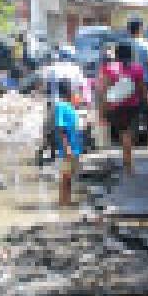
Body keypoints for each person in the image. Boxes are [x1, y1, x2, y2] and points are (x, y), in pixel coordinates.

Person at [98, 41, 148, 176]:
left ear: (117, 54)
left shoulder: (109, 68)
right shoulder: (137, 68)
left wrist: (102, 111)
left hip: (116, 106)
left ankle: (127, 162)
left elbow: (104, 90)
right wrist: (146, 100)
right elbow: (141, 88)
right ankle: (128, 163)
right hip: (132, 106)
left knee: (124, 134)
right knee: (128, 134)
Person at [126, 19, 148, 141]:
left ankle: (133, 137)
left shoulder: (124, 45)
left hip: (128, 82)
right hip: (145, 81)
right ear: (139, 29)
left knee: (131, 109)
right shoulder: (146, 45)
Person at [53, 78, 83, 206]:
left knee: (69, 176)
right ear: (68, 91)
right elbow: (61, 129)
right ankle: (62, 202)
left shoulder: (69, 106)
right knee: (65, 176)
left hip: (75, 147)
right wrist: (67, 147)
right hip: (68, 147)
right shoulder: (61, 106)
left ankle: (67, 201)